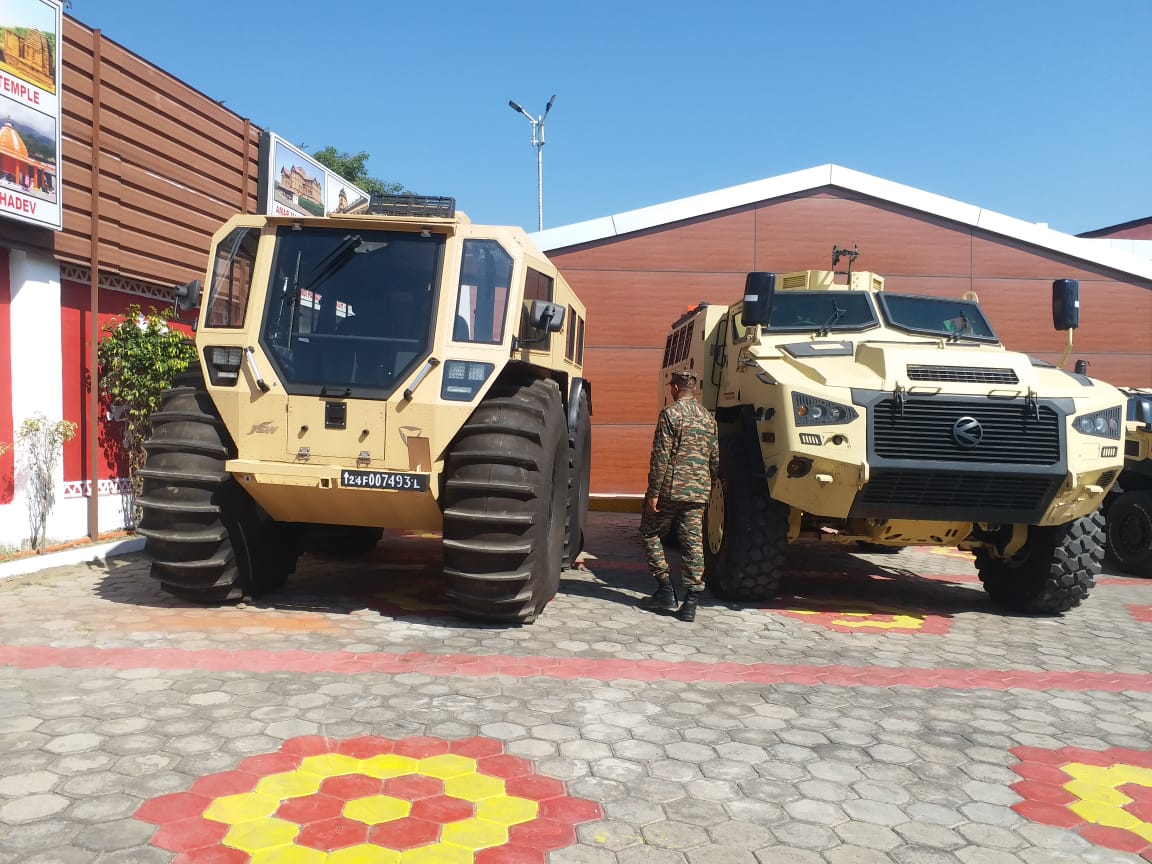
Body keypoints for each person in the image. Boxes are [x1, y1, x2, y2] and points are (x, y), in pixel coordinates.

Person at [639, 369, 719, 622]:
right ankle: (691, 603)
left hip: (670, 490)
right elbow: (715, 458)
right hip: (698, 491)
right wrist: (709, 483)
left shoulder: (670, 414)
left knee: (650, 533)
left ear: (674, 388)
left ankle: (665, 589)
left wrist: (653, 493)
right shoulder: (708, 418)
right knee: (693, 544)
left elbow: (661, 457)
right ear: (693, 389)